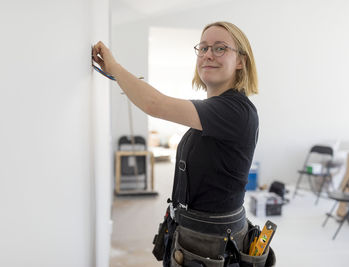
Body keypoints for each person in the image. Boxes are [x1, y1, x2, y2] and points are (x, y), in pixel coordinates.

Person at [93, 21, 273, 267]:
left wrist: (114, 67)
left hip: (211, 245)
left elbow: (155, 104)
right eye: (204, 48)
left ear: (241, 61)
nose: (209, 54)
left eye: (220, 48)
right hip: (194, 239)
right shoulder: (215, 109)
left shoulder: (236, 111)